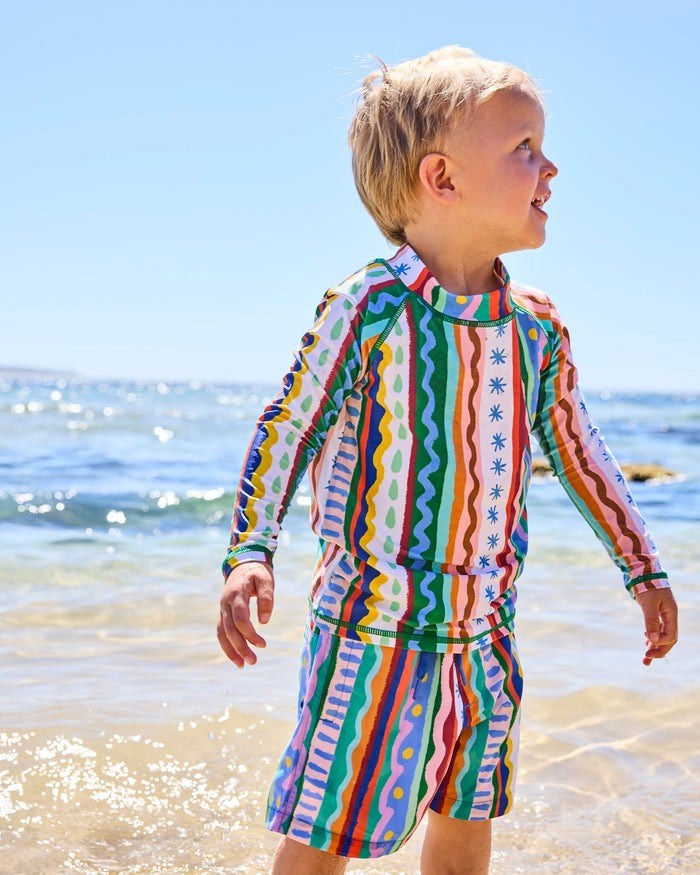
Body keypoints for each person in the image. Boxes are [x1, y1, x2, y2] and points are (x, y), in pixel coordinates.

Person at [216, 46, 678, 875]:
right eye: (525, 148)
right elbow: (289, 426)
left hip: (486, 630)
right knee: (328, 826)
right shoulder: (368, 308)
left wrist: (641, 566)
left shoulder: (536, 329)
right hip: (370, 629)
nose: (551, 168)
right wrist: (252, 549)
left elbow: (580, 451)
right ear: (442, 178)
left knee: (469, 817)